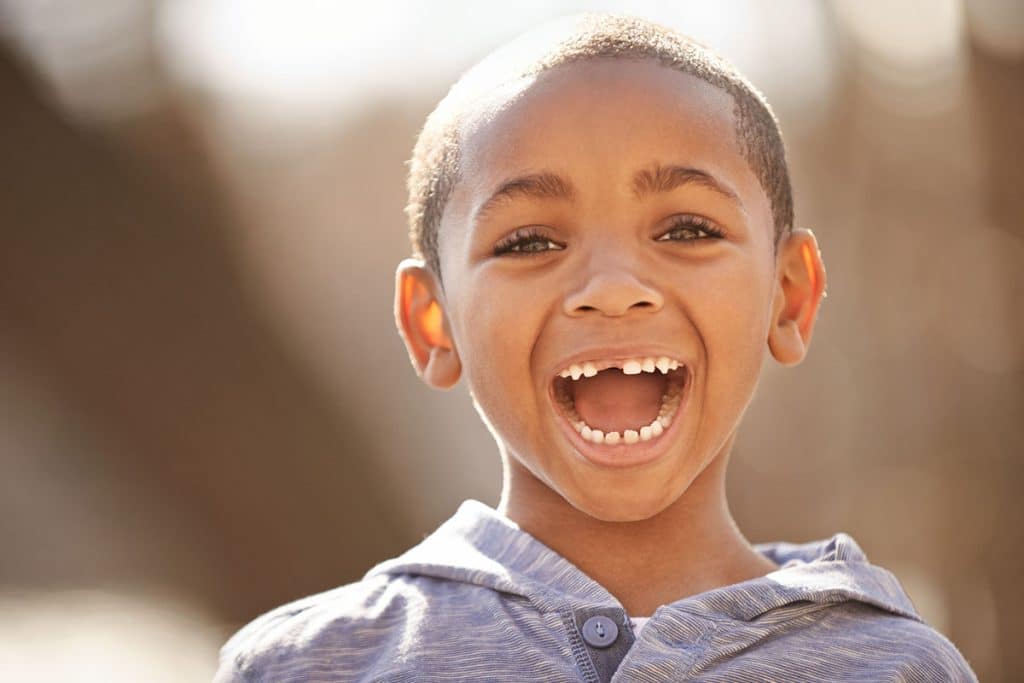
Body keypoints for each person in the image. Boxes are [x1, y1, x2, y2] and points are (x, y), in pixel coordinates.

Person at [214, 14, 977, 682]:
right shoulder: (312, 664)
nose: (612, 287)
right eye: (530, 241)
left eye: (687, 230)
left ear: (790, 297)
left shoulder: (895, 665)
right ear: (432, 321)